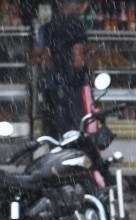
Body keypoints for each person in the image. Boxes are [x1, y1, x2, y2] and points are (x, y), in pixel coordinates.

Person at [34, 0, 91, 138]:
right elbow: (78, 59)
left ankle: (55, 153)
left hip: (52, 86)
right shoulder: (76, 25)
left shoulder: (48, 27)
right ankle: (71, 154)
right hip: (72, 86)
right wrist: (84, 65)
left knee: (52, 130)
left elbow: (45, 59)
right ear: (78, 5)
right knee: (73, 130)